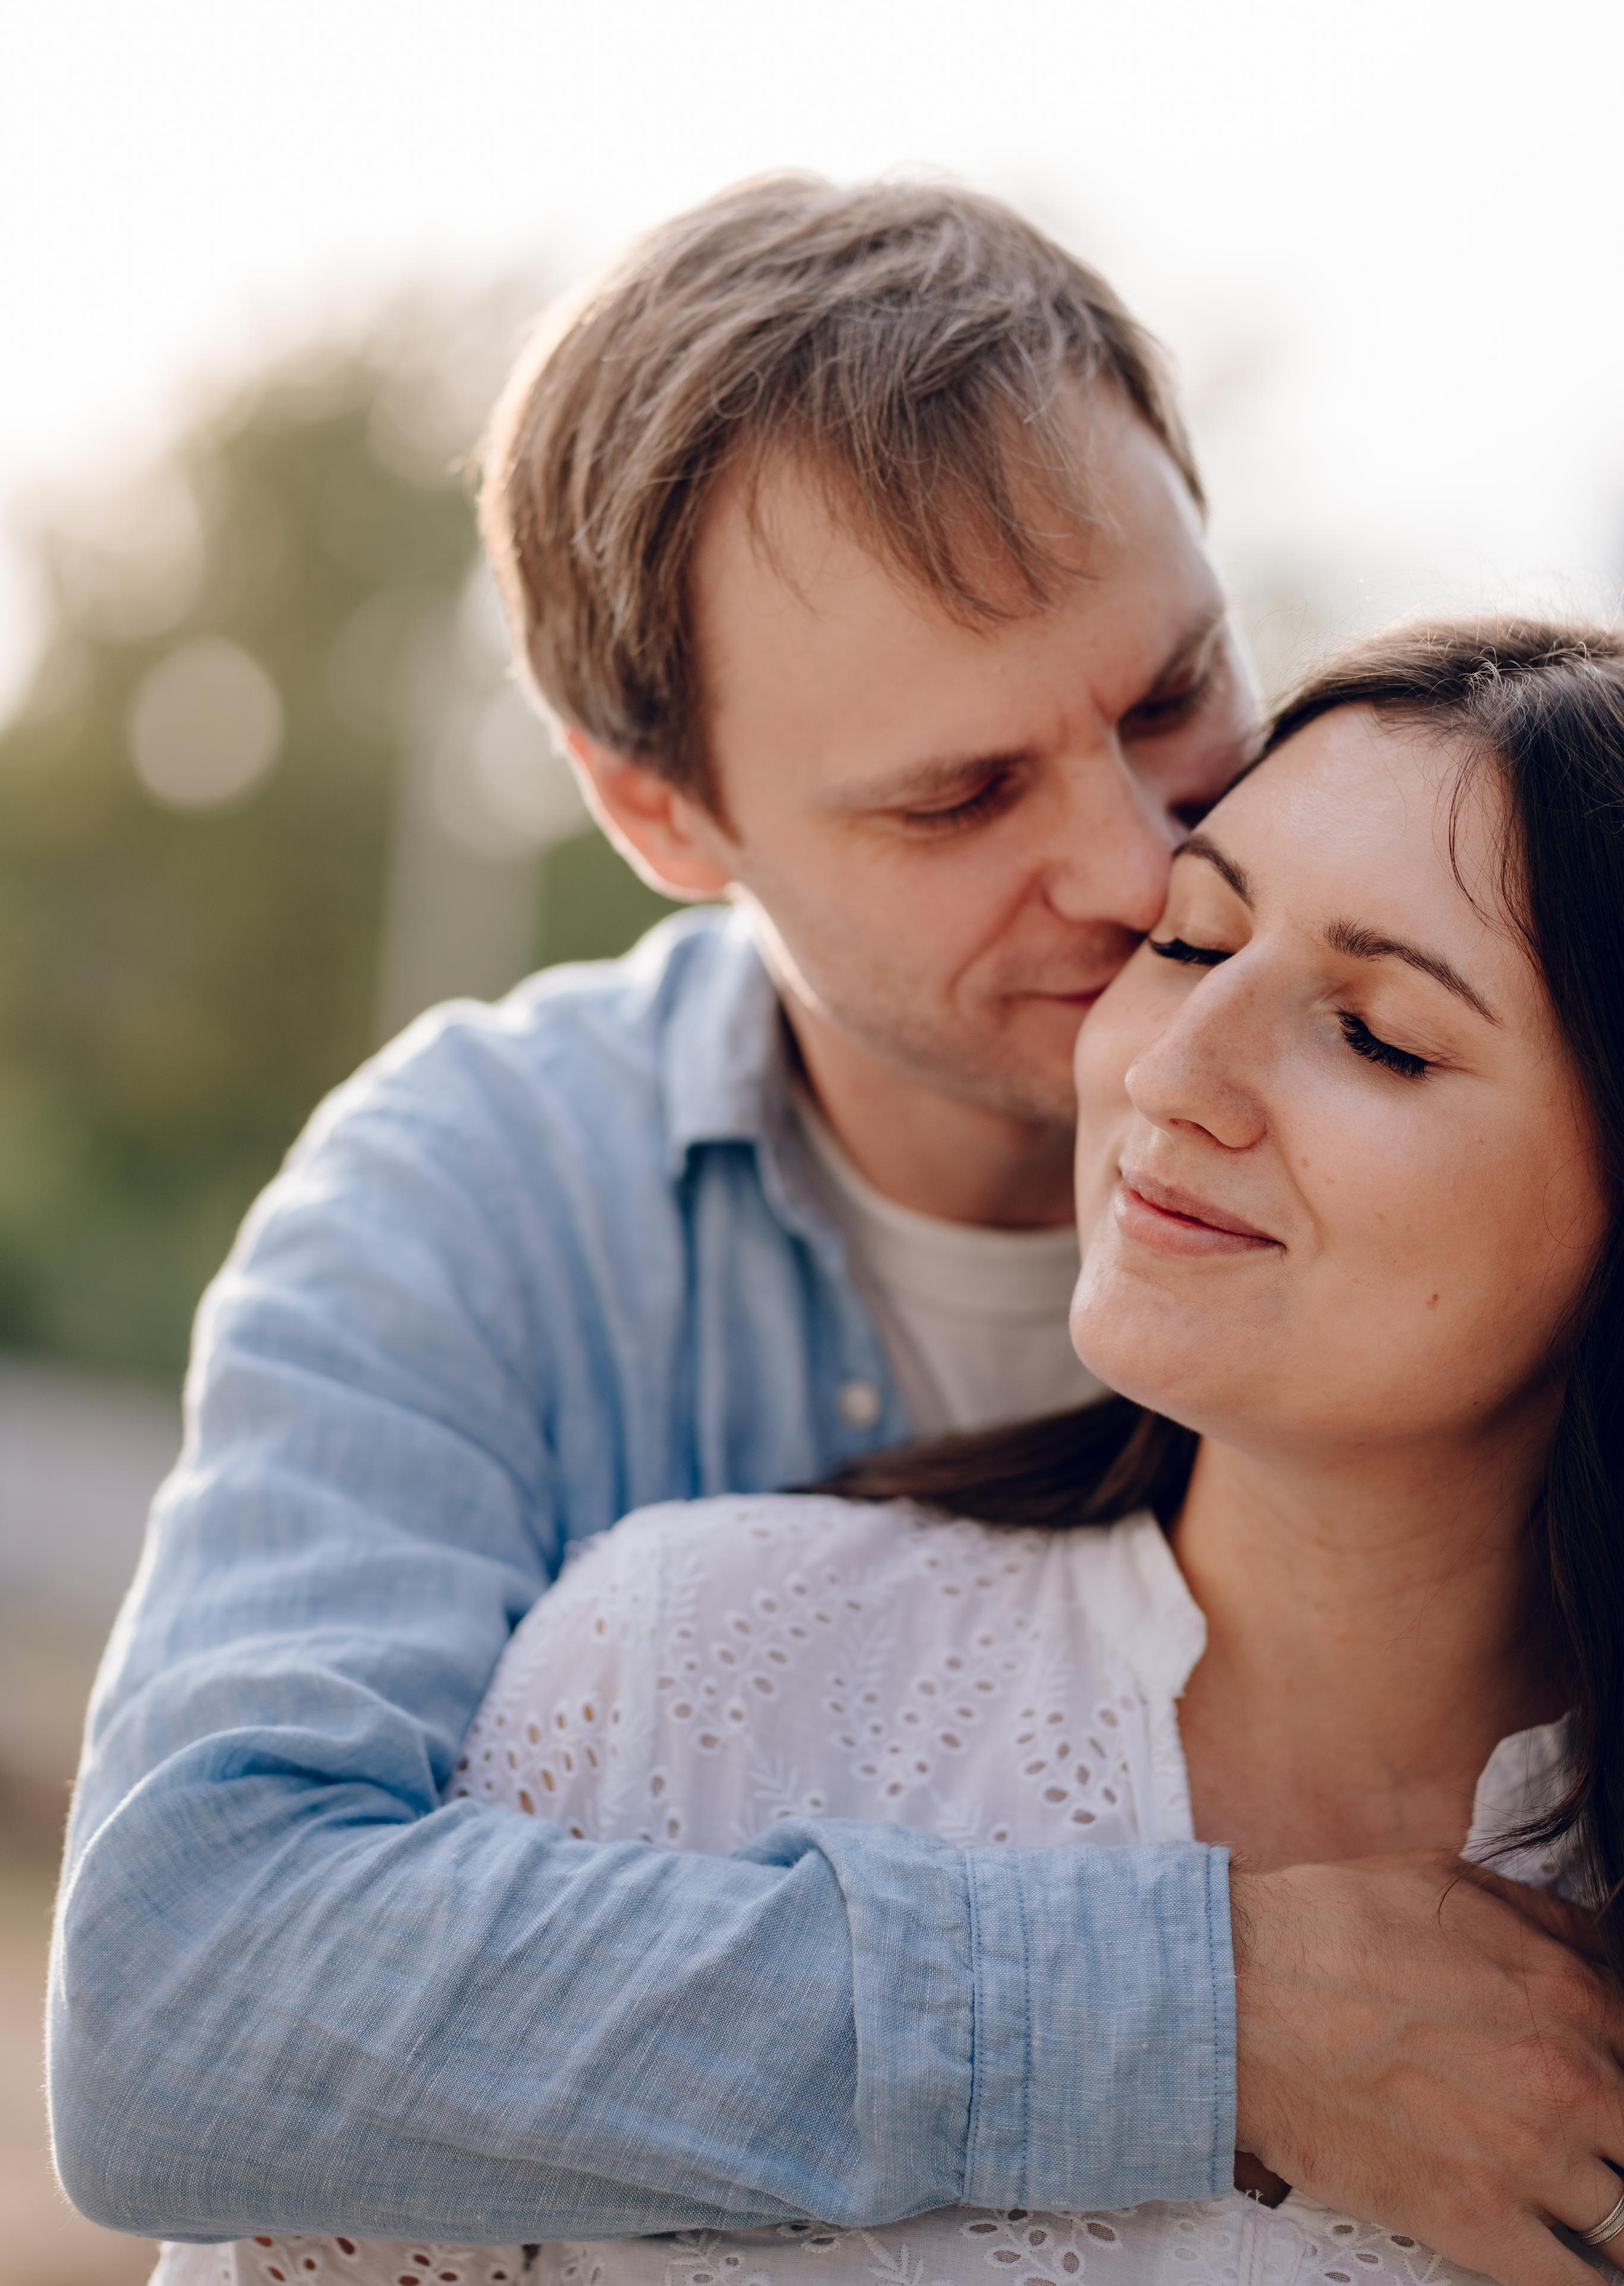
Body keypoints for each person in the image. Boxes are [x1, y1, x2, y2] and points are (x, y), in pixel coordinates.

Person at [48, 181, 1621, 2268]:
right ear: (664, 817)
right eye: (959, 798)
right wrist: (1217, 2013)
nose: (1138, 857)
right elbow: (196, 2002)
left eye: (1168, 695)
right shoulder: (487, 1206)